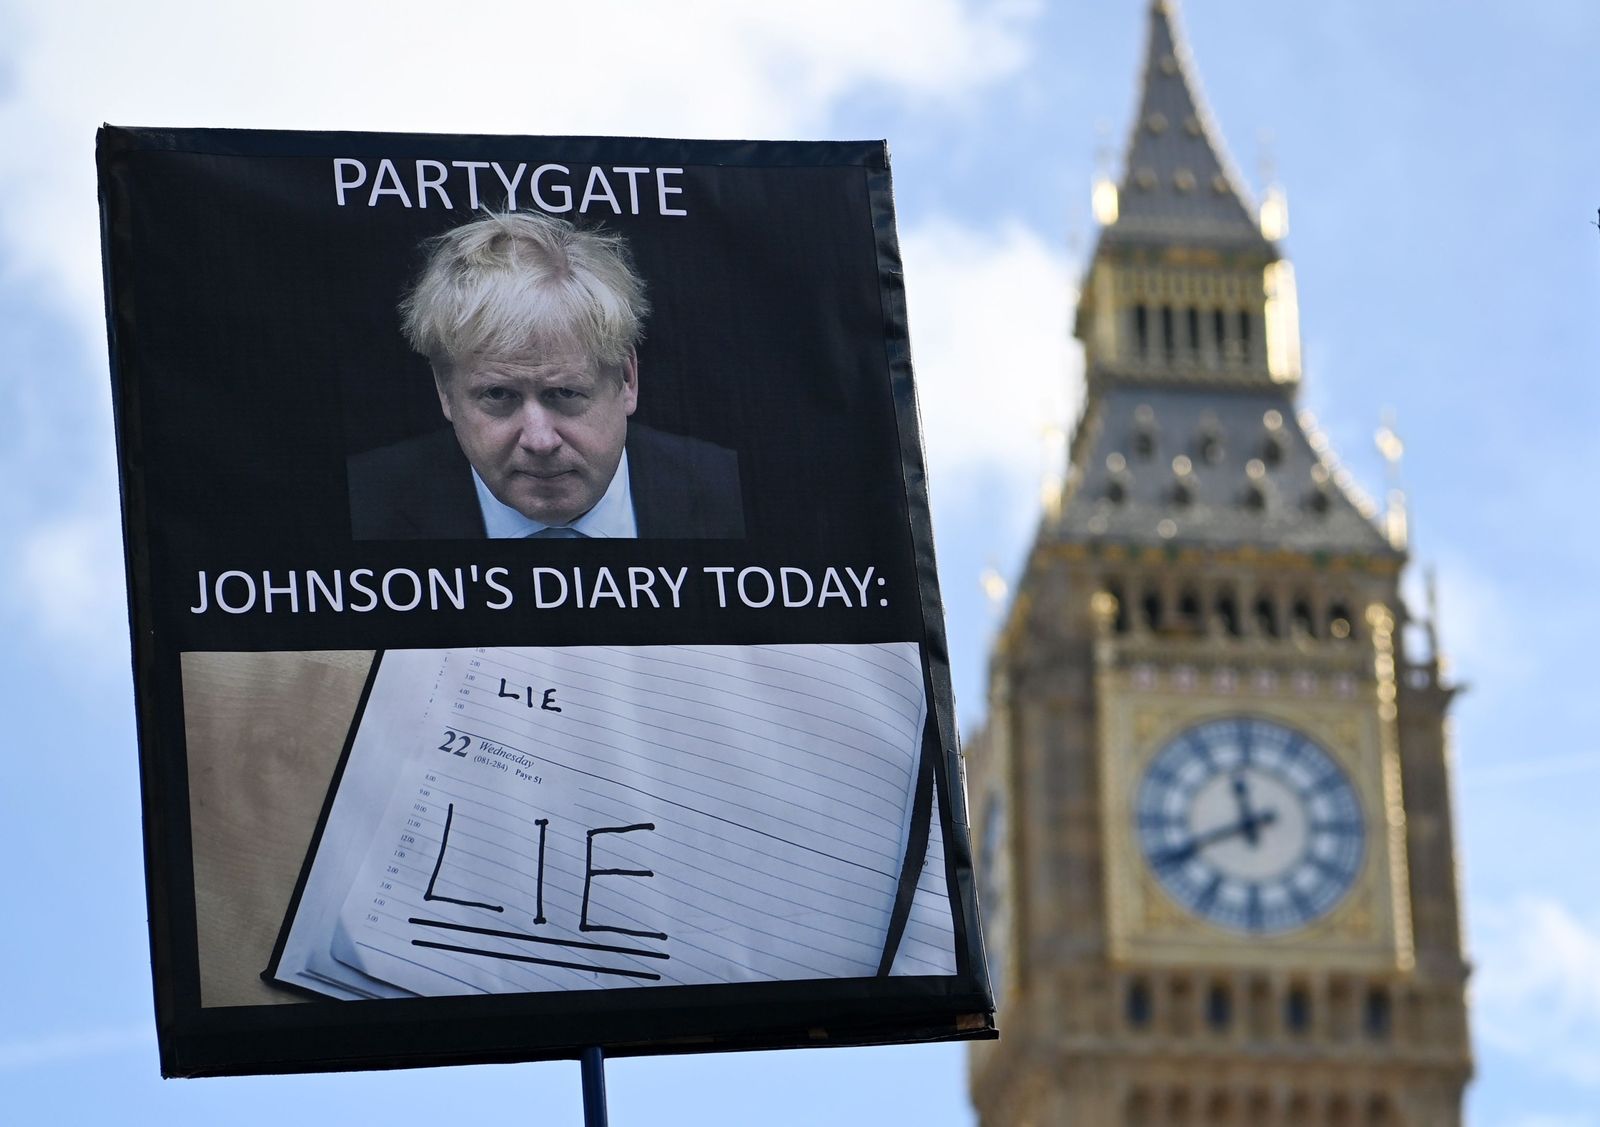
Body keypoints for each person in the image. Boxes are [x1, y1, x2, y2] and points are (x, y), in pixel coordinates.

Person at [349, 211, 744, 540]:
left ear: (626, 378)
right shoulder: (363, 508)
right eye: (499, 396)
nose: (539, 441)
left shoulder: (736, 496)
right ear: (445, 392)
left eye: (565, 393)